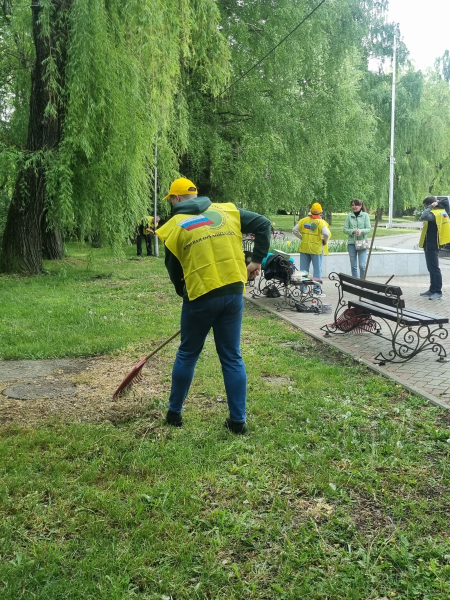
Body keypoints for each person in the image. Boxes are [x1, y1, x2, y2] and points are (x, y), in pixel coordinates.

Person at [156, 177, 271, 434]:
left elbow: (174, 270)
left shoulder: (173, 226)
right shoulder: (226, 210)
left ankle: (174, 414)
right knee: (232, 356)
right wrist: (256, 261)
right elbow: (263, 223)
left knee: (187, 353)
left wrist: (183, 293)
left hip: (199, 296)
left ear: (175, 199)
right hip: (232, 293)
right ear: (196, 194)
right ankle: (238, 421)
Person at [292, 202, 330, 296]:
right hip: (316, 249)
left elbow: (294, 230)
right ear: (321, 211)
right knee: (317, 270)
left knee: (303, 270)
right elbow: (326, 234)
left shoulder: (304, 220)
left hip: (304, 248)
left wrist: (302, 237)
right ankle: (316, 291)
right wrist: (324, 241)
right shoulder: (321, 222)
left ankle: (302, 290)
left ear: (311, 210)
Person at [418, 196, 450, 300]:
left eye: (425, 206)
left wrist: (431, 206)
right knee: (431, 268)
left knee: (435, 269)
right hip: (430, 244)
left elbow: (424, 216)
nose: (425, 208)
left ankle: (438, 292)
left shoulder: (434, 214)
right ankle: (432, 289)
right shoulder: (439, 212)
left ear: (429, 204)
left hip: (433, 245)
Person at [343, 199, 372, 279]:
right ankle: (355, 284)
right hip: (351, 243)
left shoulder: (365, 215)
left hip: (362, 242)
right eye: (352, 205)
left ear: (361, 206)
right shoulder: (349, 216)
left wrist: (361, 231)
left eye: (356, 205)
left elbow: (368, 228)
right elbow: (345, 229)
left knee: (362, 265)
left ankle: (362, 283)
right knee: (354, 266)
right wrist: (353, 231)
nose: (354, 207)